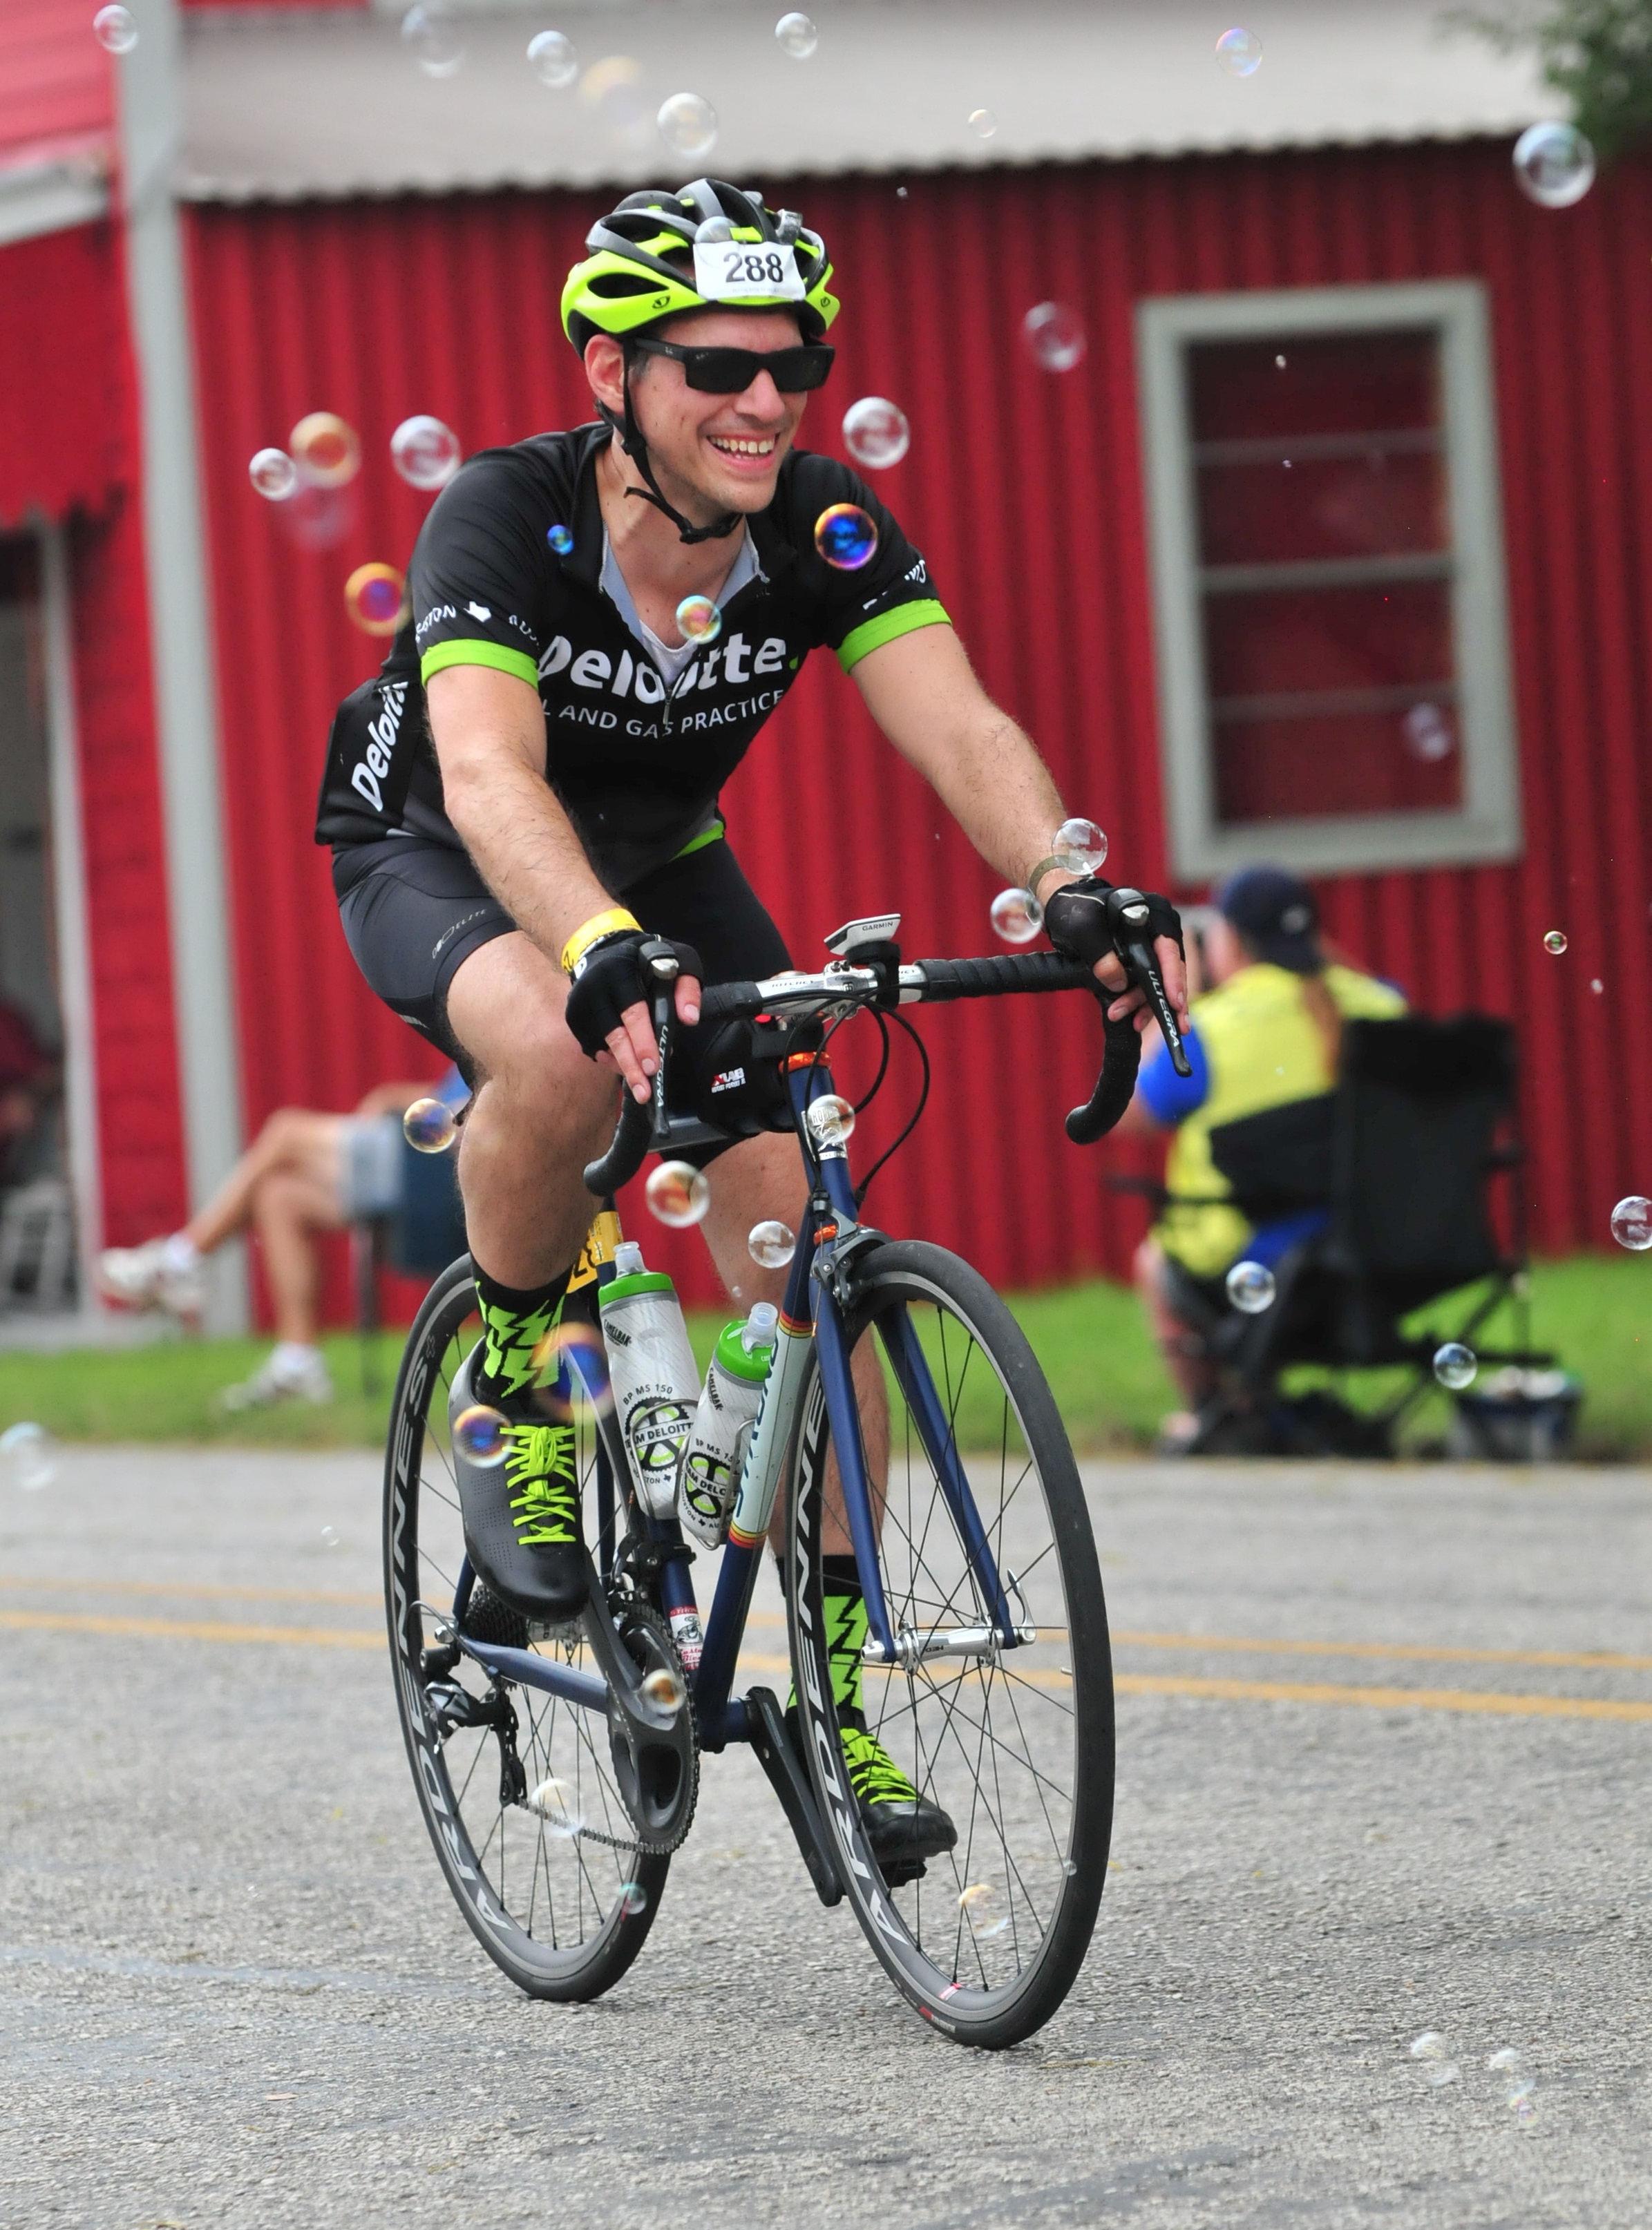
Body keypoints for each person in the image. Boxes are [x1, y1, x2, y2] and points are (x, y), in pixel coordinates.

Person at [316, 179, 1186, 1867]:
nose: (763, 403)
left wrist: (1069, 882)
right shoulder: (503, 519)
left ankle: (843, 1706)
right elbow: (491, 777)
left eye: (793, 364)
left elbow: (962, 725)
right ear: (607, 374)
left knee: (806, 1256)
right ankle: (517, 1397)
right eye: (713, 366)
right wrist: (598, 948)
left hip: (663, 858)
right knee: (564, 1056)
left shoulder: (815, 517)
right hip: (443, 845)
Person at [1116, 866, 1404, 1432]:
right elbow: (1362, 989)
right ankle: (1256, 1404)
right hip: (1387, 1250)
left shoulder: (1213, 1033)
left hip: (1266, 1266)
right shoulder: (1383, 1007)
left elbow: (1127, 1114)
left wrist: (1172, 1002)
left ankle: (1217, 1415)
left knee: (1153, 1261)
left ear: (1233, 941)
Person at [98, 1067, 467, 1407]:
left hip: (446, 1174)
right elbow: (457, 1091)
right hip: (425, 1157)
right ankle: (298, 1361)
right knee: (280, 1198)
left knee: (286, 1132)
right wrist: (395, 1096)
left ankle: (180, 1261)